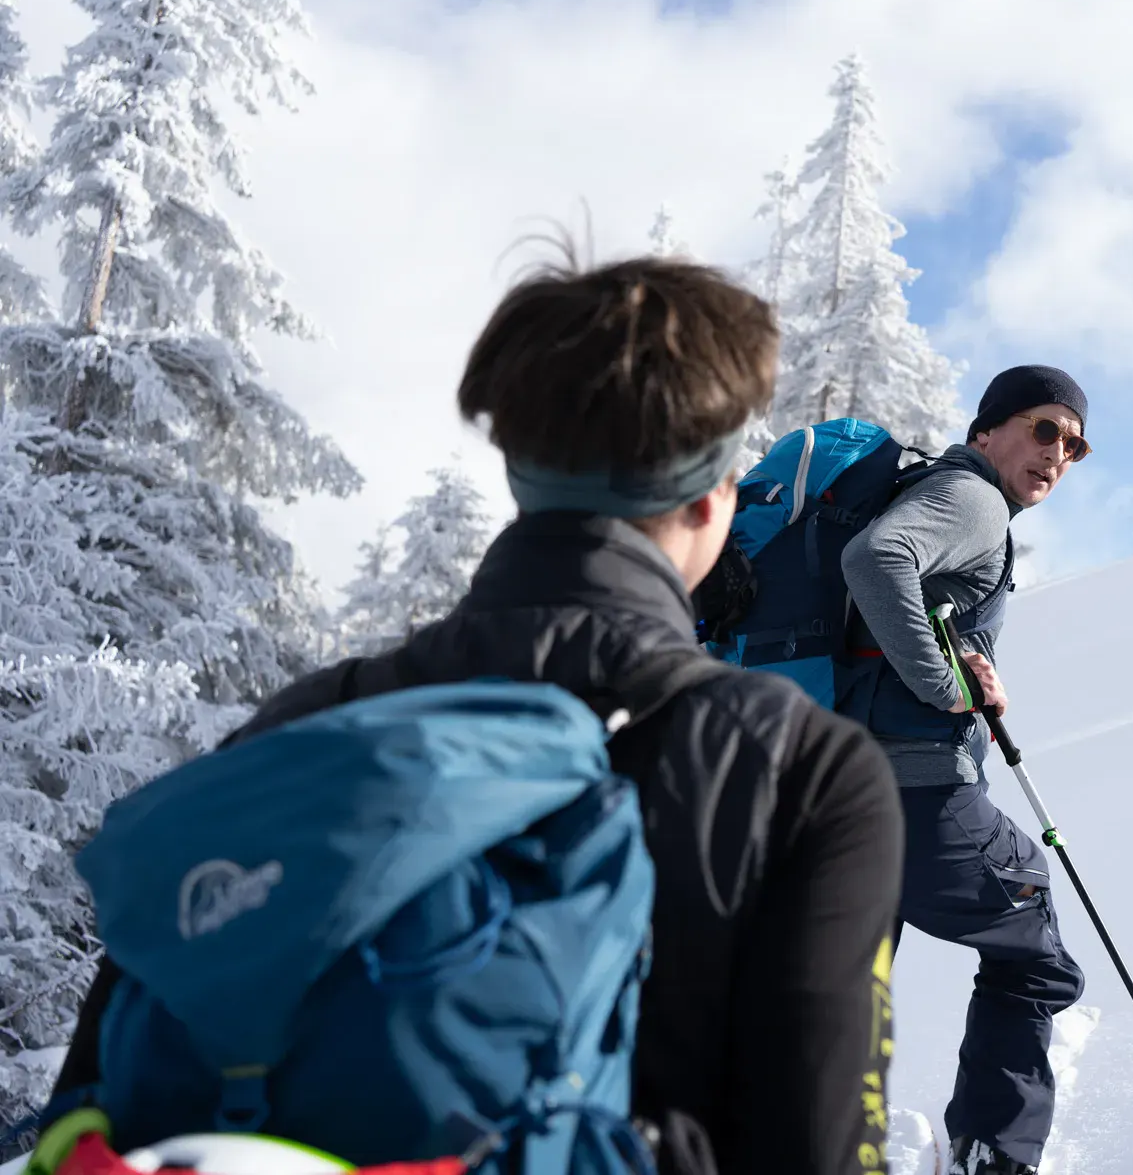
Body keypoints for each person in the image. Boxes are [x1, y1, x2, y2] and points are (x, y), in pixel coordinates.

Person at [52, 252, 905, 1175]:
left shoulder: (306, 720)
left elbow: (90, 1099)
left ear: (521, 475)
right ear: (712, 498)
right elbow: (822, 1147)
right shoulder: (804, 766)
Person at [838, 366, 1092, 1175]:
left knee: (844, 989)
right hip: (918, 798)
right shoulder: (974, 497)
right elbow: (876, 559)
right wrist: (948, 686)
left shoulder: (944, 497)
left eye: (1076, 443)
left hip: (835, 798)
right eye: (1044, 428)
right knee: (1034, 956)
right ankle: (993, 1155)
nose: (1060, 452)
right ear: (986, 431)